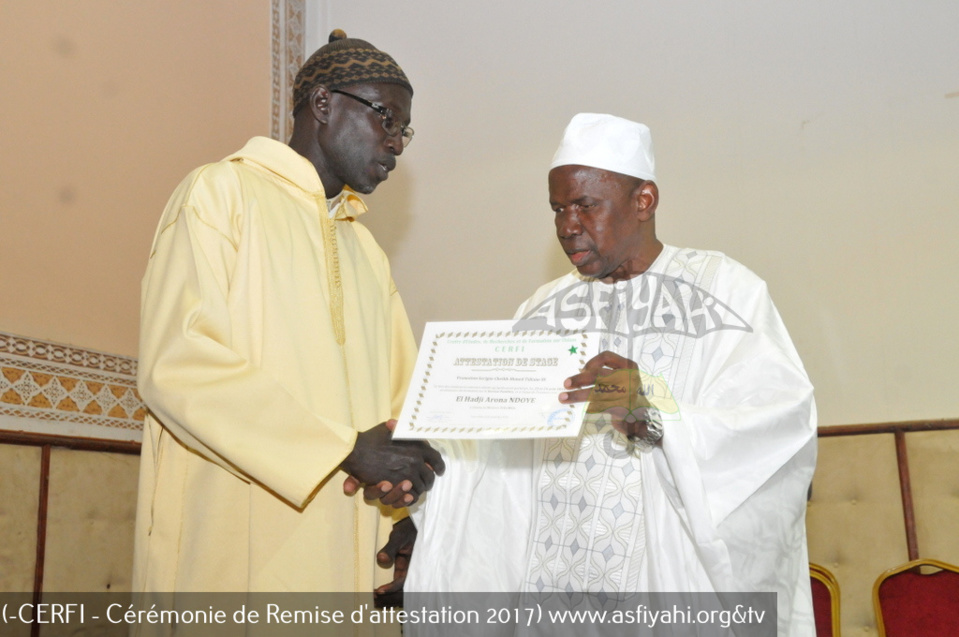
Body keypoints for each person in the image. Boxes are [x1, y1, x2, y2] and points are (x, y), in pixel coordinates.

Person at [394, 114, 818, 636]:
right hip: (554, 593)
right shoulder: (541, 309)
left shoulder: (726, 290)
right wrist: (420, 464)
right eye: (557, 208)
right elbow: (495, 451)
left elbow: (777, 421)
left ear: (643, 201)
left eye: (585, 205)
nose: (567, 225)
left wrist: (656, 415)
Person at [132, 29, 444, 605]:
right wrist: (343, 448)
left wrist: (405, 507)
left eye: (405, 128)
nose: (398, 143)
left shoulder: (366, 251)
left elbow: (399, 404)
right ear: (323, 104)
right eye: (387, 119)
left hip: (350, 541)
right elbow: (176, 363)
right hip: (234, 535)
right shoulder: (220, 194)